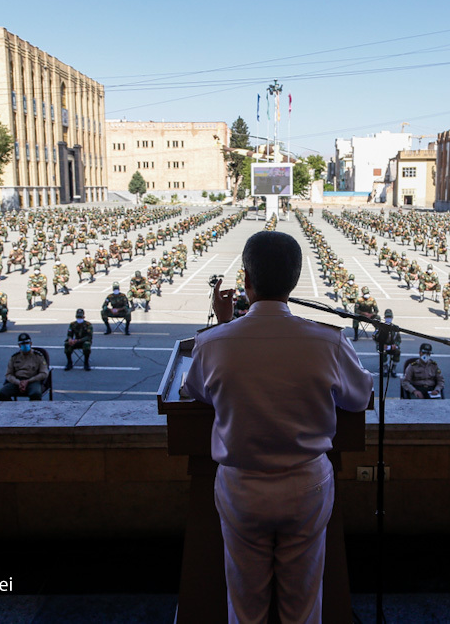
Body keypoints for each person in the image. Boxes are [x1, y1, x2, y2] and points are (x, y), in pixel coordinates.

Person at [183, 231, 372, 624]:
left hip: (242, 487)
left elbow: (195, 391)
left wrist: (222, 327)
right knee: (303, 605)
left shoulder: (213, 343)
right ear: (295, 280)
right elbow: (359, 397)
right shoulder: (329, 342)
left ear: (246, 282)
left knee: (245, 604)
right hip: (306, 484)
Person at [0, 333, 48, 401]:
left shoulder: (38, 356)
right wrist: (18, 382)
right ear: (19, 345)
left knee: (36, 394)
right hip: (17, 381)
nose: (25, 345)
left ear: (31, 343)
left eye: (27, 343)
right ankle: (11, 409)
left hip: (32, 380)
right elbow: (8, 374)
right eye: (22, 344)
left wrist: (28, 381)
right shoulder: (15, 357)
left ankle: (33, 410)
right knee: (1, 394)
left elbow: (44, 373)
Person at [374, 308, 401, 378]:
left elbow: (399, 339)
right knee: (382, 352)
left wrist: (396, 345)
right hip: (383, 345)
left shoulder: (395, 328)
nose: (388, 319)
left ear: (392, 318)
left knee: (397, 352)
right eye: (387, 317)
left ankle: (393, 368)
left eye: (390, 317)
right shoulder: (380, 327)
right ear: (384, 318)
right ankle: (385, 367)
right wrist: (381, 344)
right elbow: (375, 337)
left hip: (392, 346)